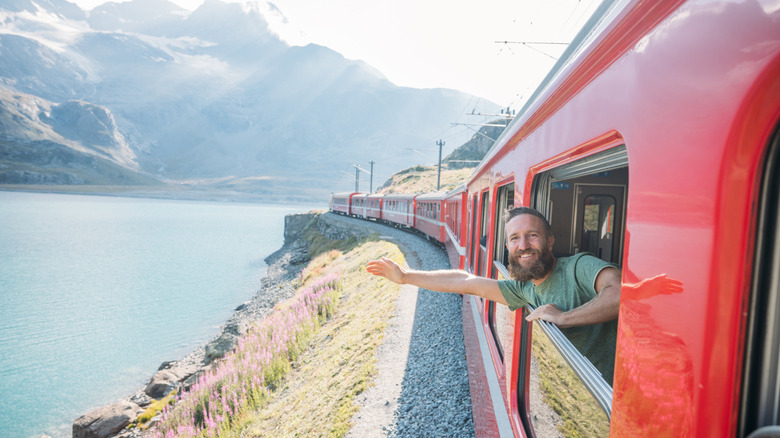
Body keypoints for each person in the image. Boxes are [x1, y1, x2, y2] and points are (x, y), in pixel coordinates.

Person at [366, 206, 621, 384]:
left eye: (532, 235)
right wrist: (407, 277)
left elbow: (621, 292)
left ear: (550, 241)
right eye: (515, 238)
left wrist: (564, 317)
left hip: (612, 399)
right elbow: (464, 280)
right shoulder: (523, 289)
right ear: (508, 246)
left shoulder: (577, 267)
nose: (523, 245)